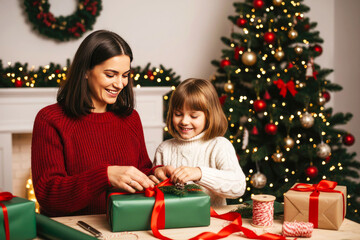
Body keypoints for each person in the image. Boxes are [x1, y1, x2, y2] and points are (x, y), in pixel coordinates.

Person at [31, 30, 159, 217]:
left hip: (128, 225)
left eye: (125, 75)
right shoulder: (50, 119)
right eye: (110, 74)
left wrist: (158, 173)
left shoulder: (131, 118)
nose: (120, 83)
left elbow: (141, 172)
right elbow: (49, 195)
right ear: (85, 72)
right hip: (72, 230)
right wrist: (105, 176)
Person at [153, 78, 246, 206]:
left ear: (209, 115)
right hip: (173, 222)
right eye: (178, 114)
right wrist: (156, 177)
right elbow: (154, 193)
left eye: (194, 116)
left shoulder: (219, 145)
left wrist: (200, 173)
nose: (184, 121)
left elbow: (238, 187)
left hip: (213, 223)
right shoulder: (164, 148)